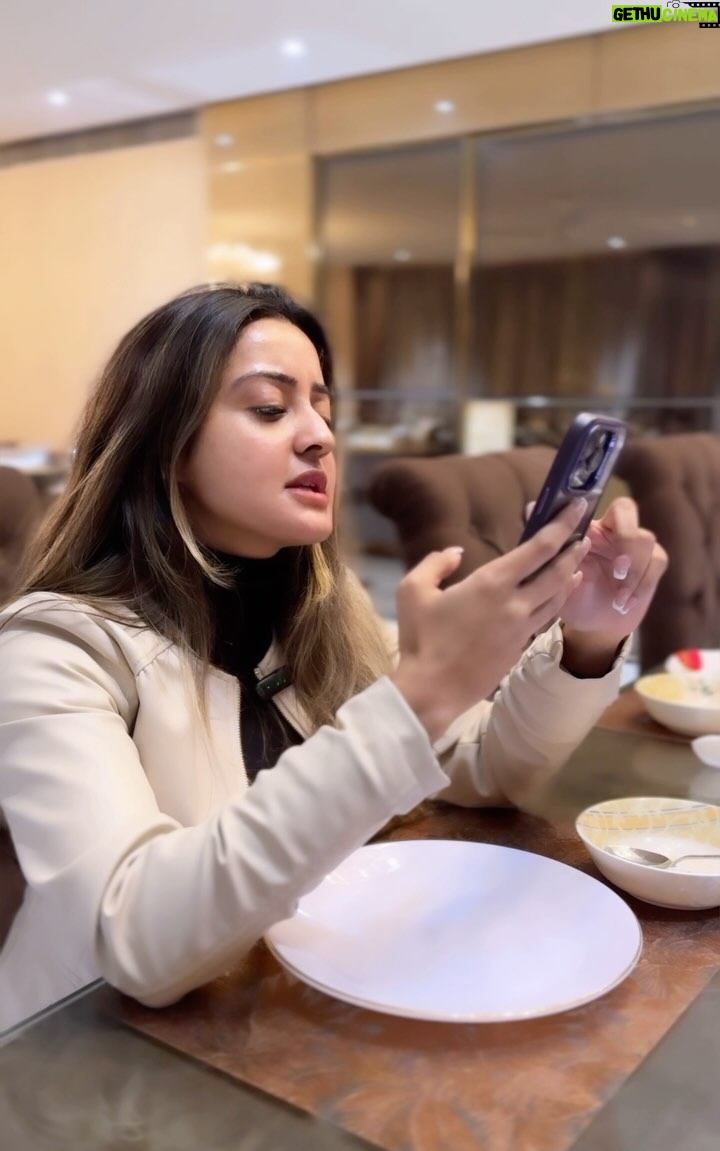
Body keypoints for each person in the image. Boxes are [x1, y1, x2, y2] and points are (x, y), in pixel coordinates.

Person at [0, 283, 667, 1029]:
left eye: (323, 407)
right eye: (269, 408)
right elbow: (137, 942)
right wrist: (418, 696)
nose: (319, 435)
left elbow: (488, 768)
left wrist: (587, 643)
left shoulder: (324, 606)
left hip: (274, 1019)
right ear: (168, 446)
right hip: (84, 1055)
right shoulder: (52, 648)